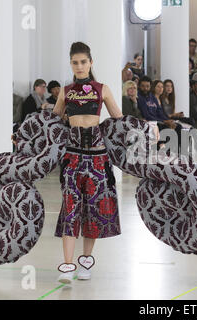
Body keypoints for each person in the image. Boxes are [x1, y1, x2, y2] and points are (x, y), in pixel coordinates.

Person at [52, 42, 124, 284]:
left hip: (98, 159)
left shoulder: (102, 89)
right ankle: (67, 266)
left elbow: (120, 120)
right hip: (72, 158)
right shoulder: (65, 91)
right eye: (75, 62)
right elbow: (50, 126)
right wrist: (22, 137)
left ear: (91, 63)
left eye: (83, 62)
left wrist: (149, 130)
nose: (80, 66)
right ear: (71, 64)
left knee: (93, 210)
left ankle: (85, 262)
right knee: (70, 208)